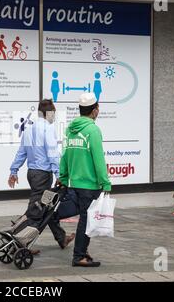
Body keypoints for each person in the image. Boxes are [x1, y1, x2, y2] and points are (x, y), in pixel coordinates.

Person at [9, 99, 75, 254]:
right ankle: (20, 242)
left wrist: (14, 170)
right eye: (54, 113)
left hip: (31, 173)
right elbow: (52, 153)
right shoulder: (48, 128)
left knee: (46, 207)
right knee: (37, 210)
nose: (55, 116)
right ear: (49, 113)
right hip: (42, 175)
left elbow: (22, 152)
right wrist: (59, 174)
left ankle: (61, 237)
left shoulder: (29, 128)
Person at [59, 93, 111, 267]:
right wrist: (106, 182)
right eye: (98, 108)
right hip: (90, 184)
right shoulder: (92, 130)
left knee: (85, 218)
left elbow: (65, 155)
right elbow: (98, 159)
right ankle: (78, 255)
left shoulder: (70, 129)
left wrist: (64, 176)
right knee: (87, 220)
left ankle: (83, 250)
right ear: (94, 111)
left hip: (74, 183)